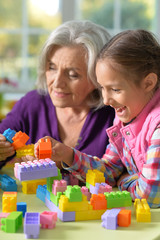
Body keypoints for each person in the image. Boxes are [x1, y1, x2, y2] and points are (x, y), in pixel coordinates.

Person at [35, 29, 160, 207]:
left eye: (115, 89)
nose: (106, 100)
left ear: (148, 83)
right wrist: (68, 154)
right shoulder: (125, 118)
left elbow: (150, 195)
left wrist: (124, 181)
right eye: (102, 88)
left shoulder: (157, 125)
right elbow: (109, 172)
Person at [0, 20, 115, 184]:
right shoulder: (31, 104)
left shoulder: (115, 115)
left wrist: (62, 165)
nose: (57, 83)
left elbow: (122, 176)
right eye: (52, 68)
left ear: (98, 78)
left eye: (73, 74)